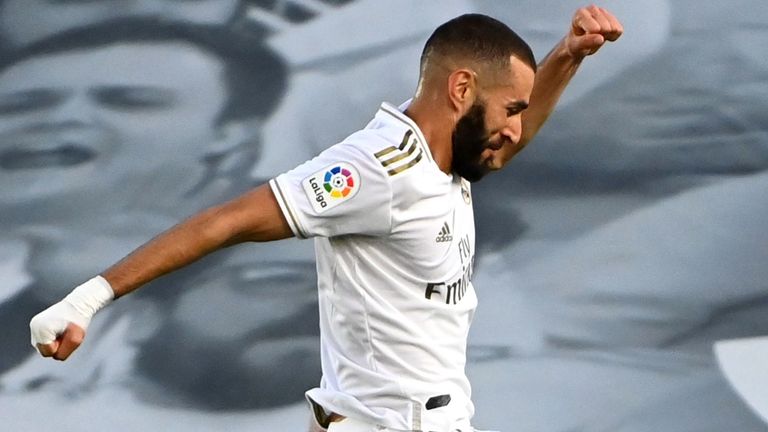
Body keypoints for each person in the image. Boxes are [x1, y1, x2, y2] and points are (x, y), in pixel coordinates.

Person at [29, 7, 622, 431]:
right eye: (511, 110)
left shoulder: (452, 157)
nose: (516, 129)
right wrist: (88, 298)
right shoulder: (377, 168)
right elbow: (228, 221)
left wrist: (567, 58)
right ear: (461, 88)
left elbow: (505, 145)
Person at [0, 17, 325, 410]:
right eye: (19, 106)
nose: (58, 119)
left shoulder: (313, 248)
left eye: (129, 101)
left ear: (232, 135)